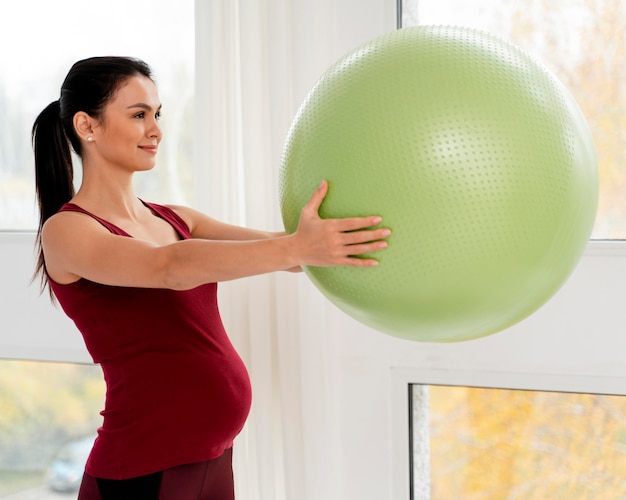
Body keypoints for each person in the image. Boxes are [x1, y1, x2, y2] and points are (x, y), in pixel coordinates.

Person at [31, 56, 390, 500]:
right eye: (139, 114)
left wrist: (350, 234)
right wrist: (296, 247)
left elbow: (287, 253)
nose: (156, 129)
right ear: (87, 125)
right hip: (143, 468)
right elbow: (170, 268)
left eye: (157, 114)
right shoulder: (67, 231)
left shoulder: (176, 218)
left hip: (211, 458)